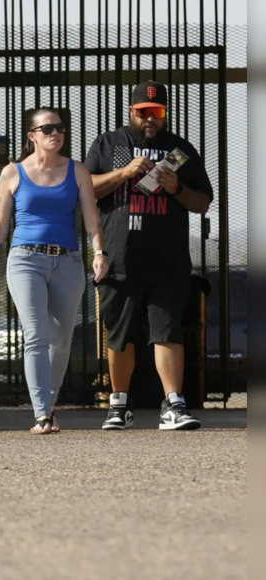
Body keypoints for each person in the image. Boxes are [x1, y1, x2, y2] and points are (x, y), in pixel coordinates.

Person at [86, 80, 213, 431]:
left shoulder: (180, 149)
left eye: (156, 113)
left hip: (167, 260)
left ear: (165, 114)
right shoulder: (108, 144)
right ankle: (119, 406)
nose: (149, 120)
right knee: (120, 334)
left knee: (168, 332)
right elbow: (85, 188)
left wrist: (177, 188)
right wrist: (124, 173)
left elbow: (203, 202)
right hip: (120, 258)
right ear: (131, 111)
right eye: (143, 113)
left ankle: (173, 405)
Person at [0, 108, 109, 434]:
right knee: (37, 336)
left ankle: (48, 407)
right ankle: (41, 414)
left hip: (67, 261)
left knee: (62, 341)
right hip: (25, 261)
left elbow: (92, 216)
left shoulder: (77, 170)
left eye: (60, 128)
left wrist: (99, 252)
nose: (55, 133)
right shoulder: (12, 173)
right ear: (32, 136)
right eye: (47, 128)